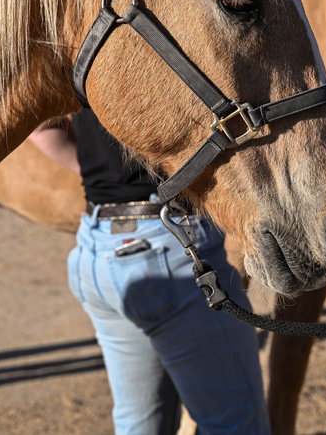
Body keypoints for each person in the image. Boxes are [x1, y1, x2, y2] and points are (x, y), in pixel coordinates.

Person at [29, 108, 270, 435]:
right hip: (173, 250)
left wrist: (97, 171)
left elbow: (42, 130)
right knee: (238, 426)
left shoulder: (80, 56)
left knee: (138, 425)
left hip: (99, 246)